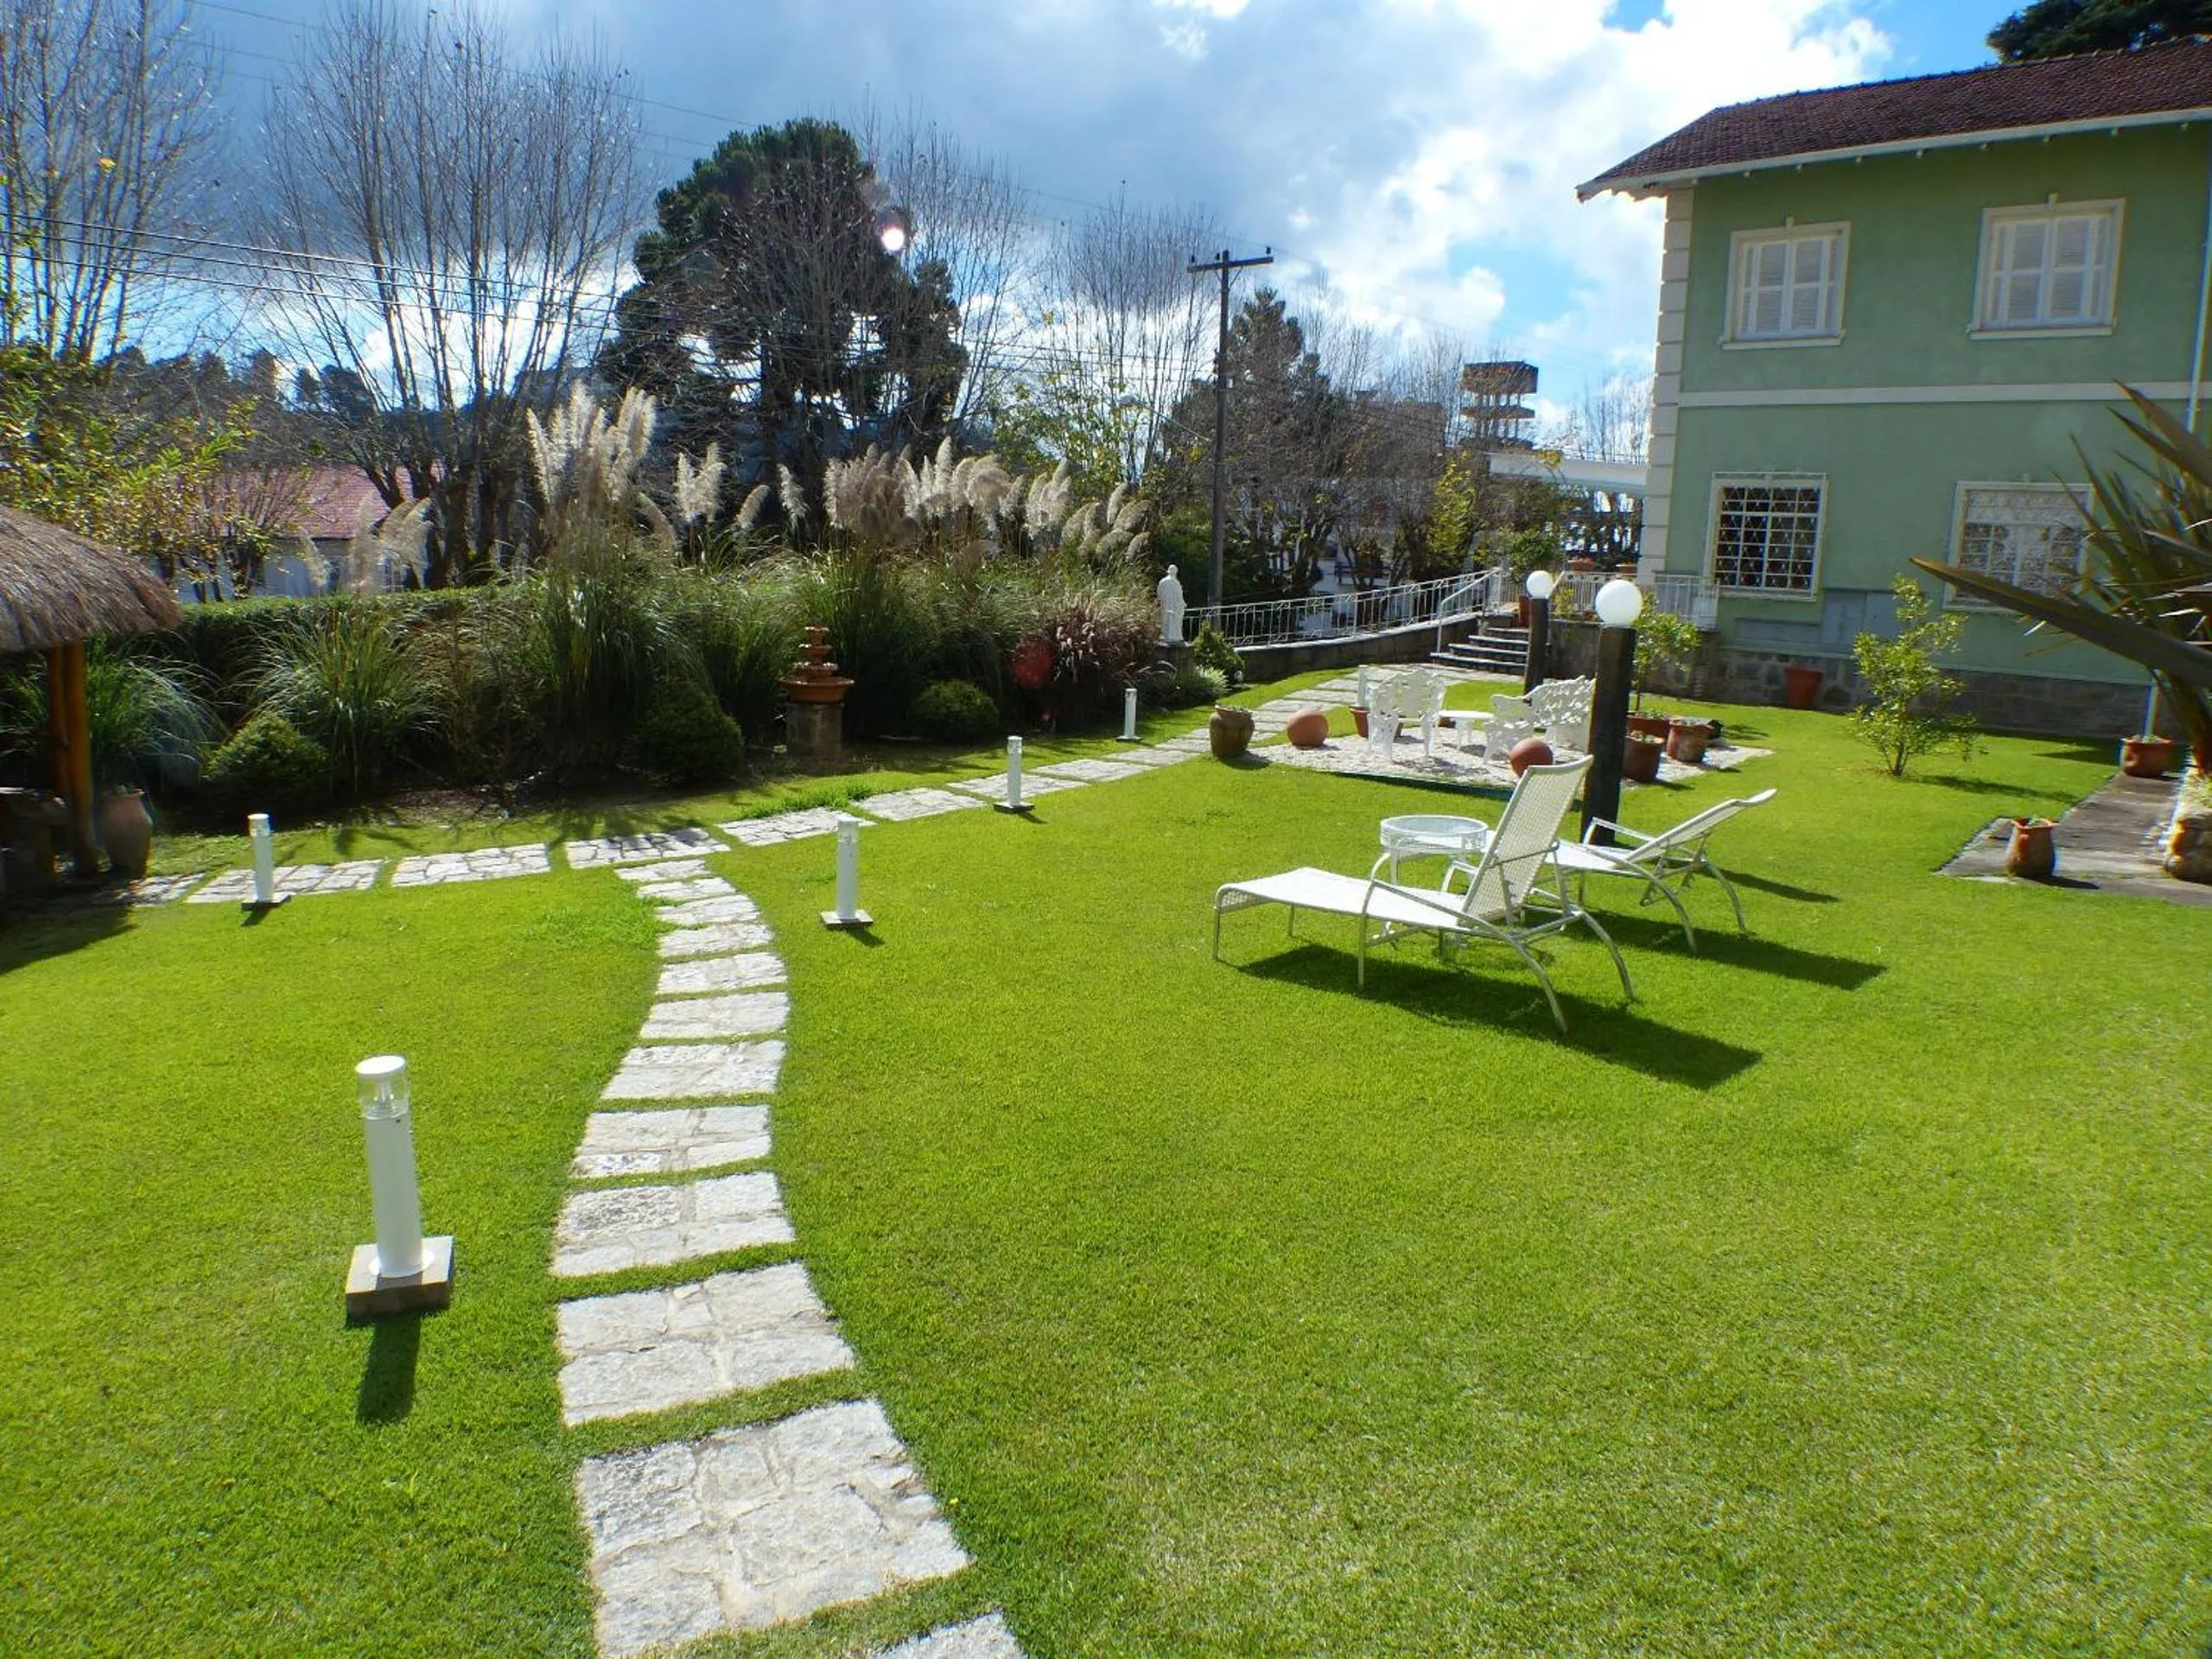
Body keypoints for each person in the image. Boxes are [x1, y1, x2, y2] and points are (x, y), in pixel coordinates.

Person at [1156, 563, 1185, 645]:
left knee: (1165, 620)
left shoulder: (1163, 582)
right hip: (1174, 606)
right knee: (1174, 620)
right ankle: (1174, 636)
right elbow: (1180, 596)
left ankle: (1166, 636)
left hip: (1165, 605)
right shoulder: (1176, 583)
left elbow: (1159, 594)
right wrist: (1182, 603)